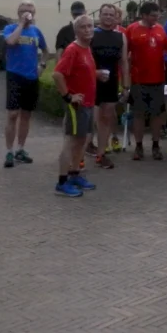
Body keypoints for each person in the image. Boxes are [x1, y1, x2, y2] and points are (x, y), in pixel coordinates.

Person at [52, 15, 99, 197]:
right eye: (83, 27)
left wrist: (97, 74)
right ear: (76, 31)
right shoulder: (73, 49)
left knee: (82, 141)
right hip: (77, 106)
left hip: (87, 103)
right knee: (71, 141)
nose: (88, 30)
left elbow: (81, 73)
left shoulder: (86, 48)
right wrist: (68, 96)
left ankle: (74, 174)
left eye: (90, 26)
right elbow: (57, 75)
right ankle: (62, 182)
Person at [2, 0, 49, 168]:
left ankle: (21, 149)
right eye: (23, 10)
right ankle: (9, 151)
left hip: (31, 77)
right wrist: (21, 25)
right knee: (12, 114)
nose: (26, 13)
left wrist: (42, 66)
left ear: (34, 13)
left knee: (26, 115)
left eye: (29, 10)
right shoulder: (10, 29)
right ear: (18, 12)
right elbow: (11, 42)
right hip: (15, 75)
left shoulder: (36, 31)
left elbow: (45, 51)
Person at [125, 1, 167, 161]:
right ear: (143, 15)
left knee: (157, 114)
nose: (155, 18)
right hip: (138, 80)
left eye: (157, 16)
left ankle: (156, 145)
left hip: (158, 79)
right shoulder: (132, 29)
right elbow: (125, 55)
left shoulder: (160, 29)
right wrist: (126, 79)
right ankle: (139, 146)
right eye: (152, 16)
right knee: (139, 114)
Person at [90, 3, 129, 169]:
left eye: (111, 15)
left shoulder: (120, 37)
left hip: (111, 82)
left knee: (106, 119)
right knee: (90, 119)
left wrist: (126, 85)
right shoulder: (91, 33)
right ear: (100, 15)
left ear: (115, 17)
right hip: (91, 82)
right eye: (105, 14)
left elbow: (123, 62)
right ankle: (80, 155)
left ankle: (101, 154)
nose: (108, 17)